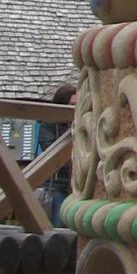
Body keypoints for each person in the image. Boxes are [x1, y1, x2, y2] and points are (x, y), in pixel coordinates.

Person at [35, 81, 76, 225]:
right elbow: (50, 149)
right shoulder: (49, 124)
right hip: (58, 184)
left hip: (78, 185)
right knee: (59, 225)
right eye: (72, 105)